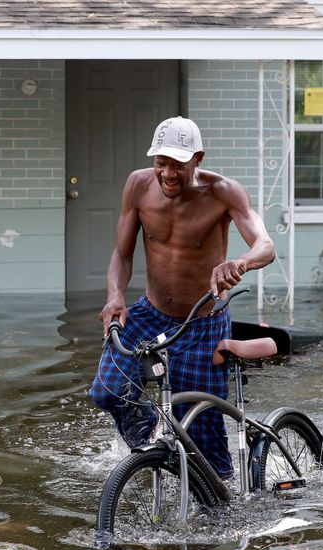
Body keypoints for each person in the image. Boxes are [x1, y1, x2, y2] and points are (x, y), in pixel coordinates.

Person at [89, 116, 275, 477]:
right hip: (148, 313)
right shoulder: (138, 185)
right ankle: (149, 446)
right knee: (108, 392)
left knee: (205, 437)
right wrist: (115, 297)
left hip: (203, 321)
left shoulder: (224, 191)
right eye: (162, 163)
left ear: (198, 158)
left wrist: (241, 262)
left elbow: (265, 246)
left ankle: (218, 503)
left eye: (178, 164)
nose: (168, 173)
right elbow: (122, 254)